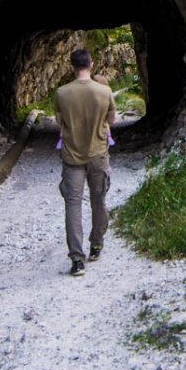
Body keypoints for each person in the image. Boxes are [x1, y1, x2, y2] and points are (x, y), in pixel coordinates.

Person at [53, 47, 115, 277]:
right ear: (91, 64)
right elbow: (111, 120)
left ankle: (77, 260)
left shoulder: (61, 93)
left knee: (73, 205)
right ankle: (96, 244)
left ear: (72, 66)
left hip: (72, 157)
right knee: (98, 200)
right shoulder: (104, 91)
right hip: (98, 154)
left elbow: (60, 122)